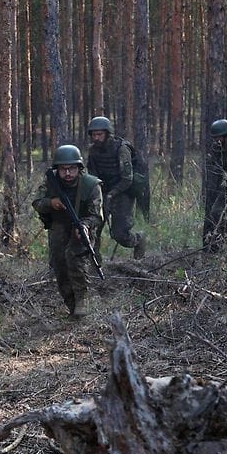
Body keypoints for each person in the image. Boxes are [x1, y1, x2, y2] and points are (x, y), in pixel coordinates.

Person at [33, 145, 104, 318]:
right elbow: (37, 203)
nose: (67, 173)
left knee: (76, 259)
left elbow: (97, 216)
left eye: (71, 168)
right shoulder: (50, 182)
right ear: (57, 169)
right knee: (59, 264)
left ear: (79, 168)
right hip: (58, 226)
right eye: (63, 169)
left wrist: (85, 226)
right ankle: (71, 304)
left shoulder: (91, 185)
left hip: (82, 227)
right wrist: (51, 203)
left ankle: (82, 299)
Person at [85, 117, 148, 259]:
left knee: (120, 235)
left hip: (123, 192)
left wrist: (112, 194)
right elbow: (92, 175)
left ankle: (138, 240)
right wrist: (98, 193)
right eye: (94, 135)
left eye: (100, 134)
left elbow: (127, 179)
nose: (96, 138)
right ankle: (95, 262)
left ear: (108, 134)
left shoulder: (122, 149)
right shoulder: (93, 151)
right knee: (93, 228)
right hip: (102, 191)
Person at [203, 118, 227, 252]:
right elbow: (215, 168)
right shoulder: (216, 150)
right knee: (215, 213)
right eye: (215, 138)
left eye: (218, 137)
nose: (216, 140)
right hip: (226, 188)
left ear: (226, 135)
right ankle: (216, 245)